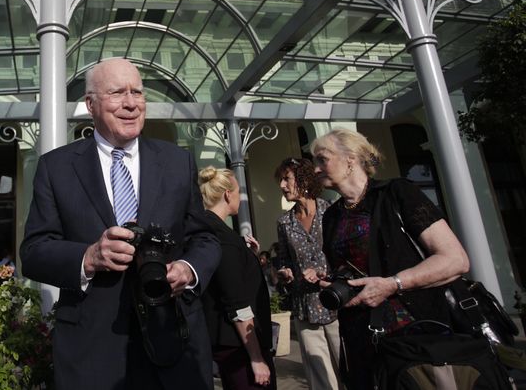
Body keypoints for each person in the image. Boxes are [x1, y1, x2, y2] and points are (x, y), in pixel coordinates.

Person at [20, 57, 220, 390]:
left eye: (137, 92)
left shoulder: (177, 161)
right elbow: (35, 251)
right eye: (117, 93)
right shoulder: (56, 168)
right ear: (90, 104)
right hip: (92, 352)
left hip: (175, 343)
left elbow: (205, 238)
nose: (130, 103)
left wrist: (187, 268)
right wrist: (89, 257)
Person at [310, 128, 470, 390]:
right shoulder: (331, 217)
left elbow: (455, 260)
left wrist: (392, 284)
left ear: (350, 158)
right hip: (361, 341)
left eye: (322, 159)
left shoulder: (398, 193)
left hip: (414, 337)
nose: (315, 168)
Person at [198, 166, 276, 390]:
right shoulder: (222, 238)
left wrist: (248, 257)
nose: (242, 196)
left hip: (225, 343)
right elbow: (236, 303)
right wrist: (256, 358)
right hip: (238, 346)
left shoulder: (206, 229)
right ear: (227, 194)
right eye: (239, 191)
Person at [273, 157, 341, 389]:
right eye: (281, 180)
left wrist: (324, 272)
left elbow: (348, 257)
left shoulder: (332, 211)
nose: (282, 186)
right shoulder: (285, 222)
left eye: (286, 179)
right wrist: (284, 272)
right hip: (306, 307)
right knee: (320, 379)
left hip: (338, 304)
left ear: (304, 179)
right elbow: (283, 260)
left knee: (350, 369)